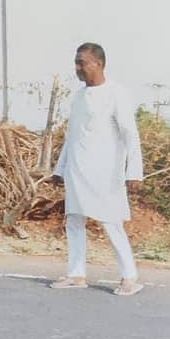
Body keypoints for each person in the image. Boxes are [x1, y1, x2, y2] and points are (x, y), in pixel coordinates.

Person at [51, 42, 144, 296]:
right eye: (76, 62)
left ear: (98, 63)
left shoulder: (117, 93)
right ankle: (76, 274)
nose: (77, 68)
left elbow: (130, 135)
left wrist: (134, 171)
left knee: (111, 222)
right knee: (74, 220)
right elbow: (72, 136)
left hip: (106, 172)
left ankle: (129, 277)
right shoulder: (79, 96)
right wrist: (60, 169)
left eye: (82, 62)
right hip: (76, 170)